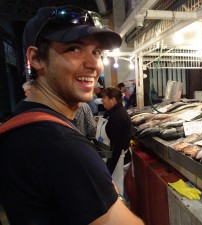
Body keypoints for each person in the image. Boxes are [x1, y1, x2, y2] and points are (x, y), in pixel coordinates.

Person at [0, 5, 143, 225]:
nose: (93, 64)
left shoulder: (22, 120)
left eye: (96, 52)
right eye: (74, 49)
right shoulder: (61, 145)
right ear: (36, 58)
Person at [96, 87, 132, 195]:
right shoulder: (111, 113)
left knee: (117, 191)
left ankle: (124, 208)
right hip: (110, 156)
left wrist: (109, 169)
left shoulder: (118, 116)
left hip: (118, 160)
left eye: (104, 98)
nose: (102, 100)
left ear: (113, 100)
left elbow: (117, 146)